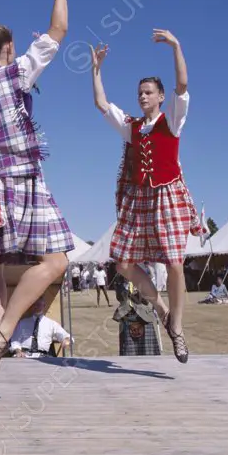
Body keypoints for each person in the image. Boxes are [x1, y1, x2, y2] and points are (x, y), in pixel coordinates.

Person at [0, 0, 73, 381]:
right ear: (9, 48)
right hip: (23, 176)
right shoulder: (18, 72)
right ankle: (6, 330)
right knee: (56, 261)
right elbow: (59, 29)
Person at [90, 30, 204, 363]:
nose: (142, 96)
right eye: (139, 92)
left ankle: (178, 329)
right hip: (139, 199)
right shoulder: (132, 126)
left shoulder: (172, 120)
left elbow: (182, 85)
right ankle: (162, 308)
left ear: (159, 96)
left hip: (167, 192)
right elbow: (101, 104)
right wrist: (96, 69)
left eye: (148, 92)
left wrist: (176, 46)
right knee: (124, 263)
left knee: (174, 264)